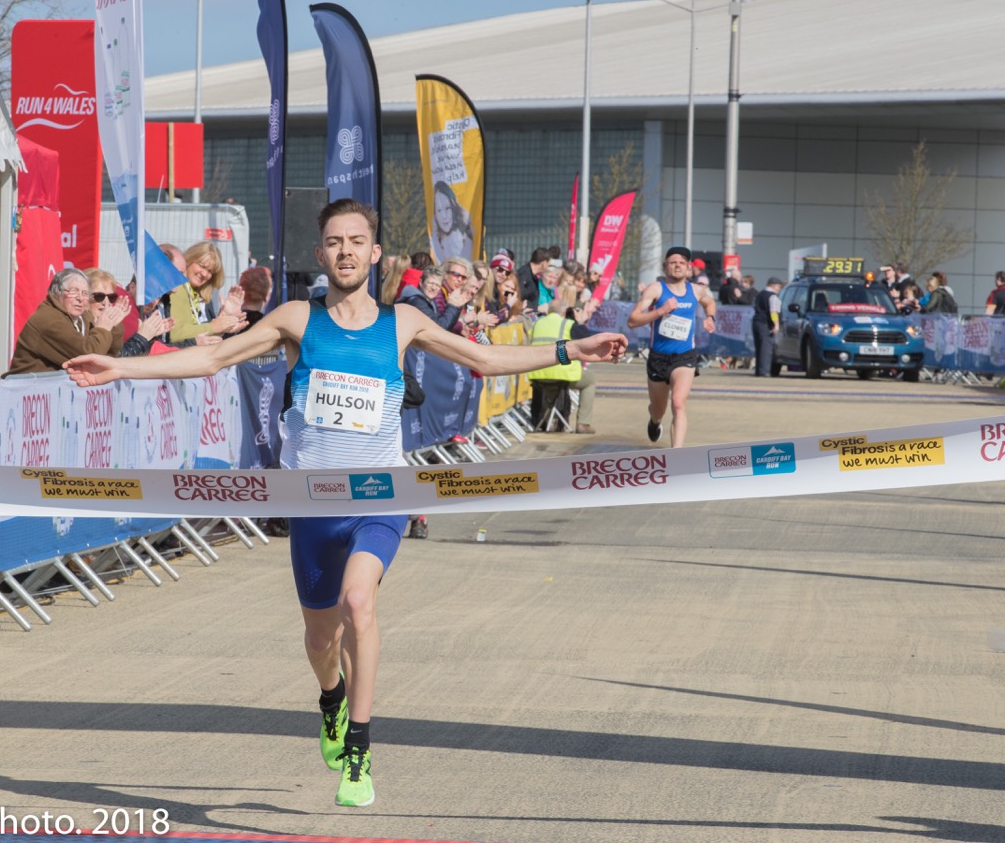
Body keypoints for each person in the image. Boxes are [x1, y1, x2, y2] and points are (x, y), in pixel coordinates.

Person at [64, 198, 626, 808]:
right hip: (310, 505)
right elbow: (214, 357)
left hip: (380, 496)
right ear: (321, 253)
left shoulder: (403, 322)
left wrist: (573, 350)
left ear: (375, 251)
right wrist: (119, 366)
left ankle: (358, 749)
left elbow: (484, 358)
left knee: (360, 601)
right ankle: (331, 698)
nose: (346, 251)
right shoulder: (296, 319)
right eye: (335, 242)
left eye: (357, 241)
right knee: (319, 640)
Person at [628, 246, 716, 448]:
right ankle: (655, 421)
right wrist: (661, 310)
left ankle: (677, 454)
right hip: (658, 357)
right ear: (665, 267)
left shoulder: (696, 290)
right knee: (659, 409)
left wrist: (710, 317)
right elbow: (633, 320)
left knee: (678, 402)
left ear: (688, 269)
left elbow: (709, 303)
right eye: (673, 262)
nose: (677, 266)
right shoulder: (656, 289)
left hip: (684, 357)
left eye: (682, 263)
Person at [6, 268, 127, 375]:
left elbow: (107, 358)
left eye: (85, 293)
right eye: (74, 291)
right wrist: (103, 328)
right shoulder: (50, 320)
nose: (80, 298)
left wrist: (113, 326)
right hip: (26, 395)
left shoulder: (81, 318)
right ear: (57, 293)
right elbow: (89, 358)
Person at [527, 289, 598, 433]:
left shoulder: (536, 324)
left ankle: (549, 420)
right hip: (562, 373)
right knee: (590, 380)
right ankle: (583, 423)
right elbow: (587, 340)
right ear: (565, 311)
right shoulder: (568, 324)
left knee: (550, 386)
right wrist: (579, 322)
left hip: (538, 374)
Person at [166, 242, 248, 345]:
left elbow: (202, 340)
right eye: (202, 266)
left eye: (210, 271)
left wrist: (225, 324)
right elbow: (175, 334)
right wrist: (213, 327)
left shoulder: (202, 296)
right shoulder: (177, 289)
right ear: (189, 260)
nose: (205, 274)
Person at [86, 268, 175, 358]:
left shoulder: (110, 321)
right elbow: (117, 359)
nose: (106, 303)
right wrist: (142, 337)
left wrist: (150, 334)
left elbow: (116, 354)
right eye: (99, 296)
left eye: (111, 297)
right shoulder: (79, 325)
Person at [430, 180, 473, 263]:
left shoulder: (467, 235)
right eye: (439, 210)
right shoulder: (435, 239)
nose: (444, 216)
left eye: (447, 208)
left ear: (454, 207)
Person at [752, 276, 784, 377]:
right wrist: (776, 324)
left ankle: (758, 370)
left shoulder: (760, 294)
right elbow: (773, 312)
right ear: (773, 286)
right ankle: (764, 371)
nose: (779, 288)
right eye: (779, 286)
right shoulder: (773, 296)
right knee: (766, 348)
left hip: (756, 322)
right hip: (766, 323)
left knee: (759, 347)